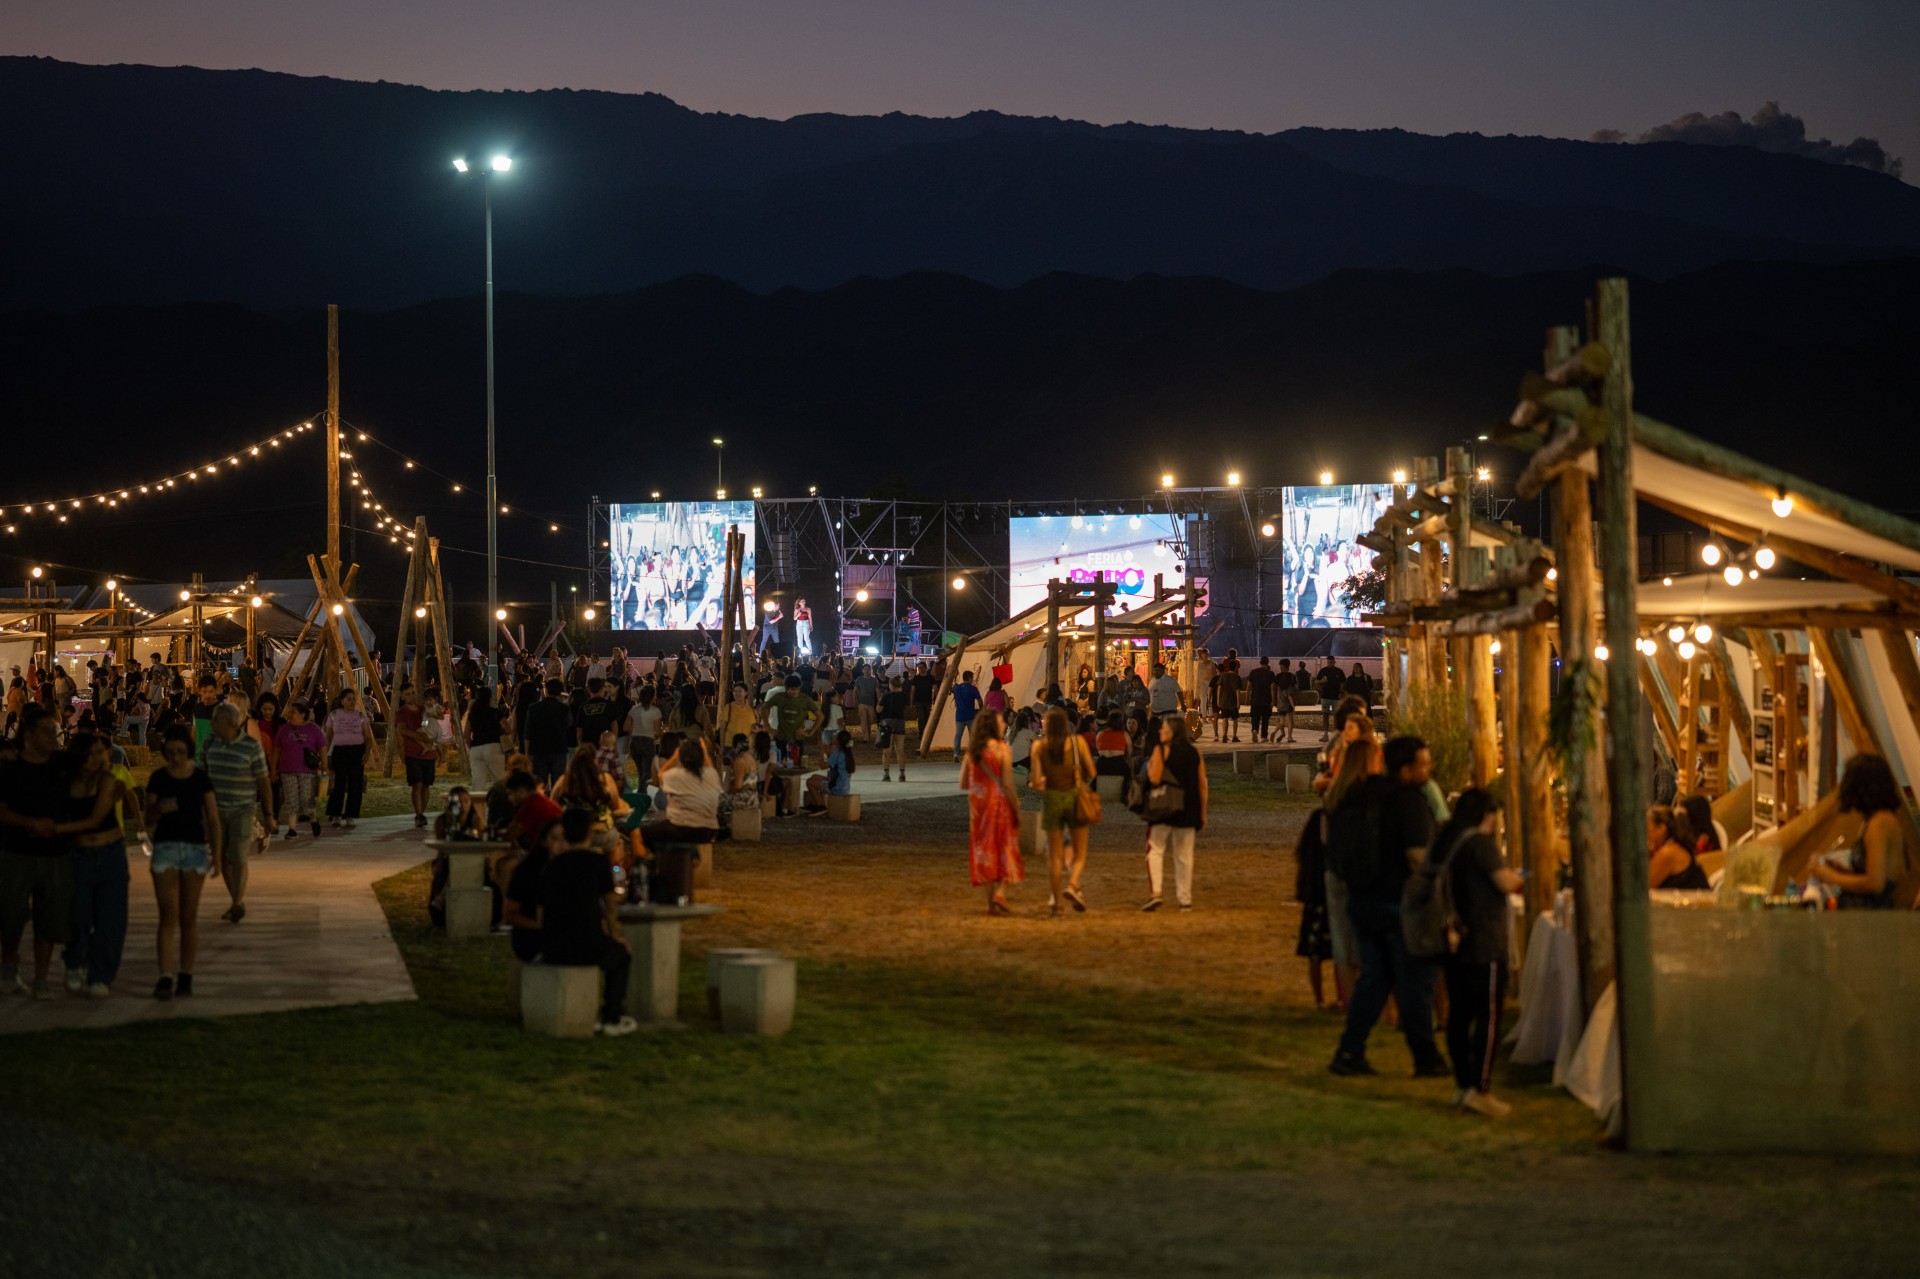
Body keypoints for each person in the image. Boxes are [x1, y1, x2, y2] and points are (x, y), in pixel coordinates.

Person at [1329, 734, 1449, 1079]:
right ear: (1407, 768)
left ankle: (1349, 1051)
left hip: (1361, 899)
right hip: (1398, 904)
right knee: (1415, 982)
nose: (1428, 769)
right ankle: (1426, 1057)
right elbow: (1416, 858)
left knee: (1376, 979)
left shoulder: (1364, 793)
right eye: (1423, 763)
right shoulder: (1408, 801)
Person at [1434, 788, 1523, 1117]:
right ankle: (1480, 1089)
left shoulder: (1448, 841)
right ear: (1487, 814)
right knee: (1488, 1017)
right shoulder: (1480, 845)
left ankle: (1462, 1085)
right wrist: (1519, 876)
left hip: (1455, 939)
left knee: (1459, 1016)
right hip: (1485, 942)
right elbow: (1504, 883)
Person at [537, 807, 638, 1037]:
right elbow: (610, 906)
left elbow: (541, 913)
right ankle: (611, 1016)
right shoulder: (598, 862)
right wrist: (617, 937)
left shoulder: (551, 866)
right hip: (587, 943)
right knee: (621, 956)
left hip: (554, 945)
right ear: (588, 832)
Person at [144, 723, 222, 1000]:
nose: (175, 757)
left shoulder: (200, 779)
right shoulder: (158, 779)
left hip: (193, 849)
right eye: (171, 752)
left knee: (189, 916)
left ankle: (186, 974)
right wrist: (158, 809)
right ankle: (165, 975)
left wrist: (218, 855)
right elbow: (147, 819)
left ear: (188, 751)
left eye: (180, 751)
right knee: (168, 915)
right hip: (165, 848)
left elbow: (213, 819)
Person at [62, 730, 142, 997]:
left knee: (111, 918)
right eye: (93, 752)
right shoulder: (67, 783)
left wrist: (55, 829)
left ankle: (101, 976)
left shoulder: (109, 780)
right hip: (80, 856)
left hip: (110, 853)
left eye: (101, 752)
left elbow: (96, 819)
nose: (100, 757)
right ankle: (75, 961)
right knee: (78, 915)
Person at [1810, 752, 1913, 908]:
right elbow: (1879, 874)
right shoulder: (1884, 819)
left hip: (1870, 920)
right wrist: (1842, 871)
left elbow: (1875, 883)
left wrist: (1831, 876)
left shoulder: (1879, 824)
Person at [202, 701, 273, 924]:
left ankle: (236, 902)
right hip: (215, 812)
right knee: (222, 858)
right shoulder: (210, 743)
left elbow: (263, 781)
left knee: (239, 857)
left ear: (230, 723)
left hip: (243, 809)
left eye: (216, 720)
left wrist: (269, 814)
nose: (212, 724)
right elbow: (202, 775)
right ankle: (237, 901)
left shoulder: (251, 747)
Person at [1031, 707, 1095, 915]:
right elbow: (1092, 772)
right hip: (1075, 796)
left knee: (1055, 856)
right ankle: (1073, 884)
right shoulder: (1078, 743)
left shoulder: (1039, 747)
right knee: (1080, 852)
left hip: (1052, 799)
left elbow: (1037, 782)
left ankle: (1056, 903)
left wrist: (1043, 782)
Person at [1141, 712, 1206, 912]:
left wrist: (1151, 763)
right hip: (1189, 807)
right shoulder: (1195, 753)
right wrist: (1202, 813)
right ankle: (1185, 899)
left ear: (1172, 732)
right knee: (1184, 854)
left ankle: (1157, 893)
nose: (1161, 731)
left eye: (1164, 728)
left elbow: (1153, 778)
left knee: (1155, 848)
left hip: (1165, 806)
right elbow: (1202, 784)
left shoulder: (1162, 751)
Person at [961, 709, 1022, 915]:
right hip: (998, 803)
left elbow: (963, 783)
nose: (1004, 724)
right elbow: (1007, 784)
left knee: (984, 850)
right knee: (1004, 846)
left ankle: (989, 904)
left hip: (978, 807)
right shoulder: (1002, 749)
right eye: (1000, 722)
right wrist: (1017, 808)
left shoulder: (973, 751)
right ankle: (1000, 893)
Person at [273, 700, 326, 840]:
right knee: (291, 799)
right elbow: (277, 749)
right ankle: (292, 829)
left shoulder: (313, 729)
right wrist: (274, 768)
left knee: (306, 798)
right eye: (290, 712)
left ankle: (313, 818)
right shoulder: (284, 729)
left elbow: (322, 748)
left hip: (307, 770)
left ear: (303, 714)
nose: (291, 714)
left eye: (294, 712)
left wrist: (325, 766)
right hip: (287, 769)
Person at [323, 687, 373, 829]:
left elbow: (368, 737)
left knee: (355, 784)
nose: (352, 702)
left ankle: (351, 815)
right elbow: (328, 736)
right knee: (339, 783)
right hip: (340, 751)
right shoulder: (334, 715)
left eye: (353, 699)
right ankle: (336, 814)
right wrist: (325, 754)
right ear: (342, 701)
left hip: (356, 751)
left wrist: (367, 752)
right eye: (348, 699)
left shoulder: (361, 716)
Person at [394, 686, 437, 828]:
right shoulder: (401, 713)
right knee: (417, 783)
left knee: (426, 784)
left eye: (413, 693)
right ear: (402, 697)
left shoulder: (424, 710)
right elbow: (402, 730)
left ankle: (422, 812)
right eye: (408, 694)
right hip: (413, 753)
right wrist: (420, 736)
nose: (411, 696)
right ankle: (419, 814)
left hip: (429, 753)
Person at [523, 679, 575, 788]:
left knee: (539, 784)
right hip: (558, 749)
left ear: (546, 690)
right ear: (560, 692)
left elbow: (528, 731)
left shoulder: (533, 708)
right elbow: (569, 724)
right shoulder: (564, 709)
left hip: (539, 750)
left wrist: (527, 752)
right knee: (558, 784)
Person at [1646, 805, 1708, 890]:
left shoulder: (1669, 852)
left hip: (1695, 901)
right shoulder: (1674, 845)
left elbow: (1641, 887)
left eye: (1647, 826)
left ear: (1661, 829)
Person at [464, 685, 508, 796]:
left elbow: (466, 734)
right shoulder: (495, 712)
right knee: (498, 781)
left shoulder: (473, 713)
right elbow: (508, 729)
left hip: (476, 749)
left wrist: (471, 747)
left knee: (477, 784)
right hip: (493, 746)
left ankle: (476, 810)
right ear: (490, 698)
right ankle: (496, 807)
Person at [804, 730, 857, 812]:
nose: (833, 737)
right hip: (844, 786)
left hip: (836, 788)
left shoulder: (838, 753)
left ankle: (820, 806)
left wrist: (821, 751)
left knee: (809, 782)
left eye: (836, 736)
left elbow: (822, 766)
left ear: (839, 741)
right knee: (815, 776)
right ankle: (814, 803)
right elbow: (832, 761)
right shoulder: (847, 753)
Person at [626, 685, 662, 788]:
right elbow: (658, 733)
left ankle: (640, 791)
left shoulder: (634, 709)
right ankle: (644, 794)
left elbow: (626, 727)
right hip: (648, 741)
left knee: (640, 771)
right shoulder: (655, 711)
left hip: (635, 742)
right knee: (647, 772)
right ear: (653, 696)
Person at [878, 676, 910, 782]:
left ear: (890, 685)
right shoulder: (904, 696)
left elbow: (879, 709)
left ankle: (886, 774)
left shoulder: (886, 696)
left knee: (887, 750)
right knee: (900, 750)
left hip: (888, 722)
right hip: (900, 722)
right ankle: (902, 774)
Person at [950, 670, 982, 760]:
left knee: (958, 735)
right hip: (970, 716)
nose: (973, 680)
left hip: (959, 716)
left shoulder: (957, 688)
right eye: (972, 678)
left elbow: (951, 688)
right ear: (969, 678)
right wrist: (981, 710)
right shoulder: (973, 689)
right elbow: (980, 700)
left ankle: (956, 754)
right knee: (972, 735)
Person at [1246, 657, 1277, 744]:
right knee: (1265, 719)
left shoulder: (1253, 672)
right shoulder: (1270, 674)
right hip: (1266, 700)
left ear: (1260, 663)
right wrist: (1273, 700)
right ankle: (1264, 736)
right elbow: (1272, 688)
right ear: (1268, 663)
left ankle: (1255, 730)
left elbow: (1248, 686)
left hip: (1255, 699)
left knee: (1255, 717)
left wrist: (1247, 698)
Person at [1215, 658, 1244, 743]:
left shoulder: (1223, 676)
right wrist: (1239, 703)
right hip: (1233, 702)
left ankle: (1224, 735)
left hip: (1224, 701)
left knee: (1224, 718)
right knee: (1235, 719)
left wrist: (1218, 700)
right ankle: (1234, 736)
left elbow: (1219, 688)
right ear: (1236, 668)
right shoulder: (1237, 677)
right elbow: (1238, 691)